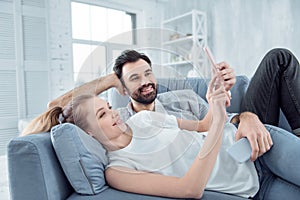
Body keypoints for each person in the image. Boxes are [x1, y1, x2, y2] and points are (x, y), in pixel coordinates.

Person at [22, 74, 300, 199]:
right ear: (89, 133)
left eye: (108, 107)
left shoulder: (143, 118)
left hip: (256, 145)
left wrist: (213, 98)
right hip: (254, 187)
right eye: (103, 115)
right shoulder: (117, 170)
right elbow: (190, 189)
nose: (115, 113)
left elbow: (204, 126)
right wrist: (108, 79)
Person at [42, 48, 300, 162]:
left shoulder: (183, 98)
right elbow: (56, 105)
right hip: (229, 158)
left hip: (239, 136)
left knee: (279, 58)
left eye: (148, 73)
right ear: (122, 87)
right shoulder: (118, 123)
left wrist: (242, 113)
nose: (146, 82)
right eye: (135, 78)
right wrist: (110, 80)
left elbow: (220, 122)